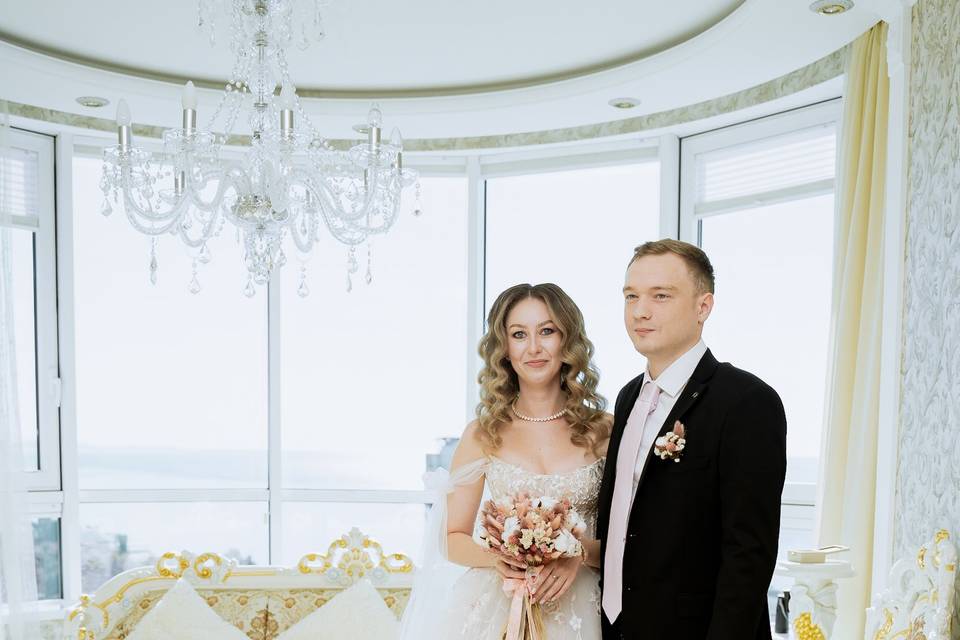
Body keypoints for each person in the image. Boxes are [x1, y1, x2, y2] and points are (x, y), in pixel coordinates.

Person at [597, 239, 787, 640]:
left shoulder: (747, 402)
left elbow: (748, 555)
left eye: (660, 296)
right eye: (631, 296)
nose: (640, 311)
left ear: (703, 307)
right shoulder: (629, 396)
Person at [401, 283, 611, 639]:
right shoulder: (483, 434)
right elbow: (452, 537)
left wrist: (577, 551)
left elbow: (632, 539)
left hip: (585, 608)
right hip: (497, 605)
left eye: (547, 331)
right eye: (518, 334)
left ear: (568, 340)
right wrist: (499, 559)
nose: (533, 347)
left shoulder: (605, 431)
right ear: (504, 348)